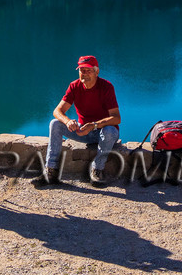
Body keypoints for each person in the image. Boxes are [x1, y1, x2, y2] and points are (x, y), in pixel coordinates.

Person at [35, 55, 122, 188]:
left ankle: (97, 170)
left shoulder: (106, 87)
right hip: (83, 131)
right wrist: (68, 121)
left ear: (96, 71)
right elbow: (57, 111)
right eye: (82, 70)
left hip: (103, 131)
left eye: (88, 70)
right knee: (55, 124)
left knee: (110, 130)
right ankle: (51, 171)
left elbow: (116, 118)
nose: (84, 74)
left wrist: (94, 125)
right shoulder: (74, 86)